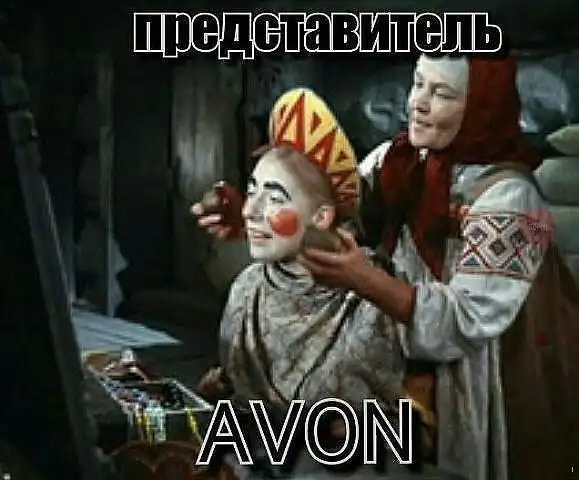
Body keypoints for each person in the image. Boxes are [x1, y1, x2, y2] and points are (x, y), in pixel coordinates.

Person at [192, 54, 579, 480]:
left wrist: (367, 281)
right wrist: (251, 219)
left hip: (476, 370)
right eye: (418, 83)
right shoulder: (395, 162)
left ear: (479, 107)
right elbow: (327, 217)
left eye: (442, 94)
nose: (418, 103)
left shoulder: (511, 199)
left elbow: (463, 322)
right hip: (399, 355)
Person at [195, 88, 442, 472]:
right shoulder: (246, 290)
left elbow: (403, 428)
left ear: (322, 217)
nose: (250, 211)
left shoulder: (371, 298)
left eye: (275, 198)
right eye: (252, 191)